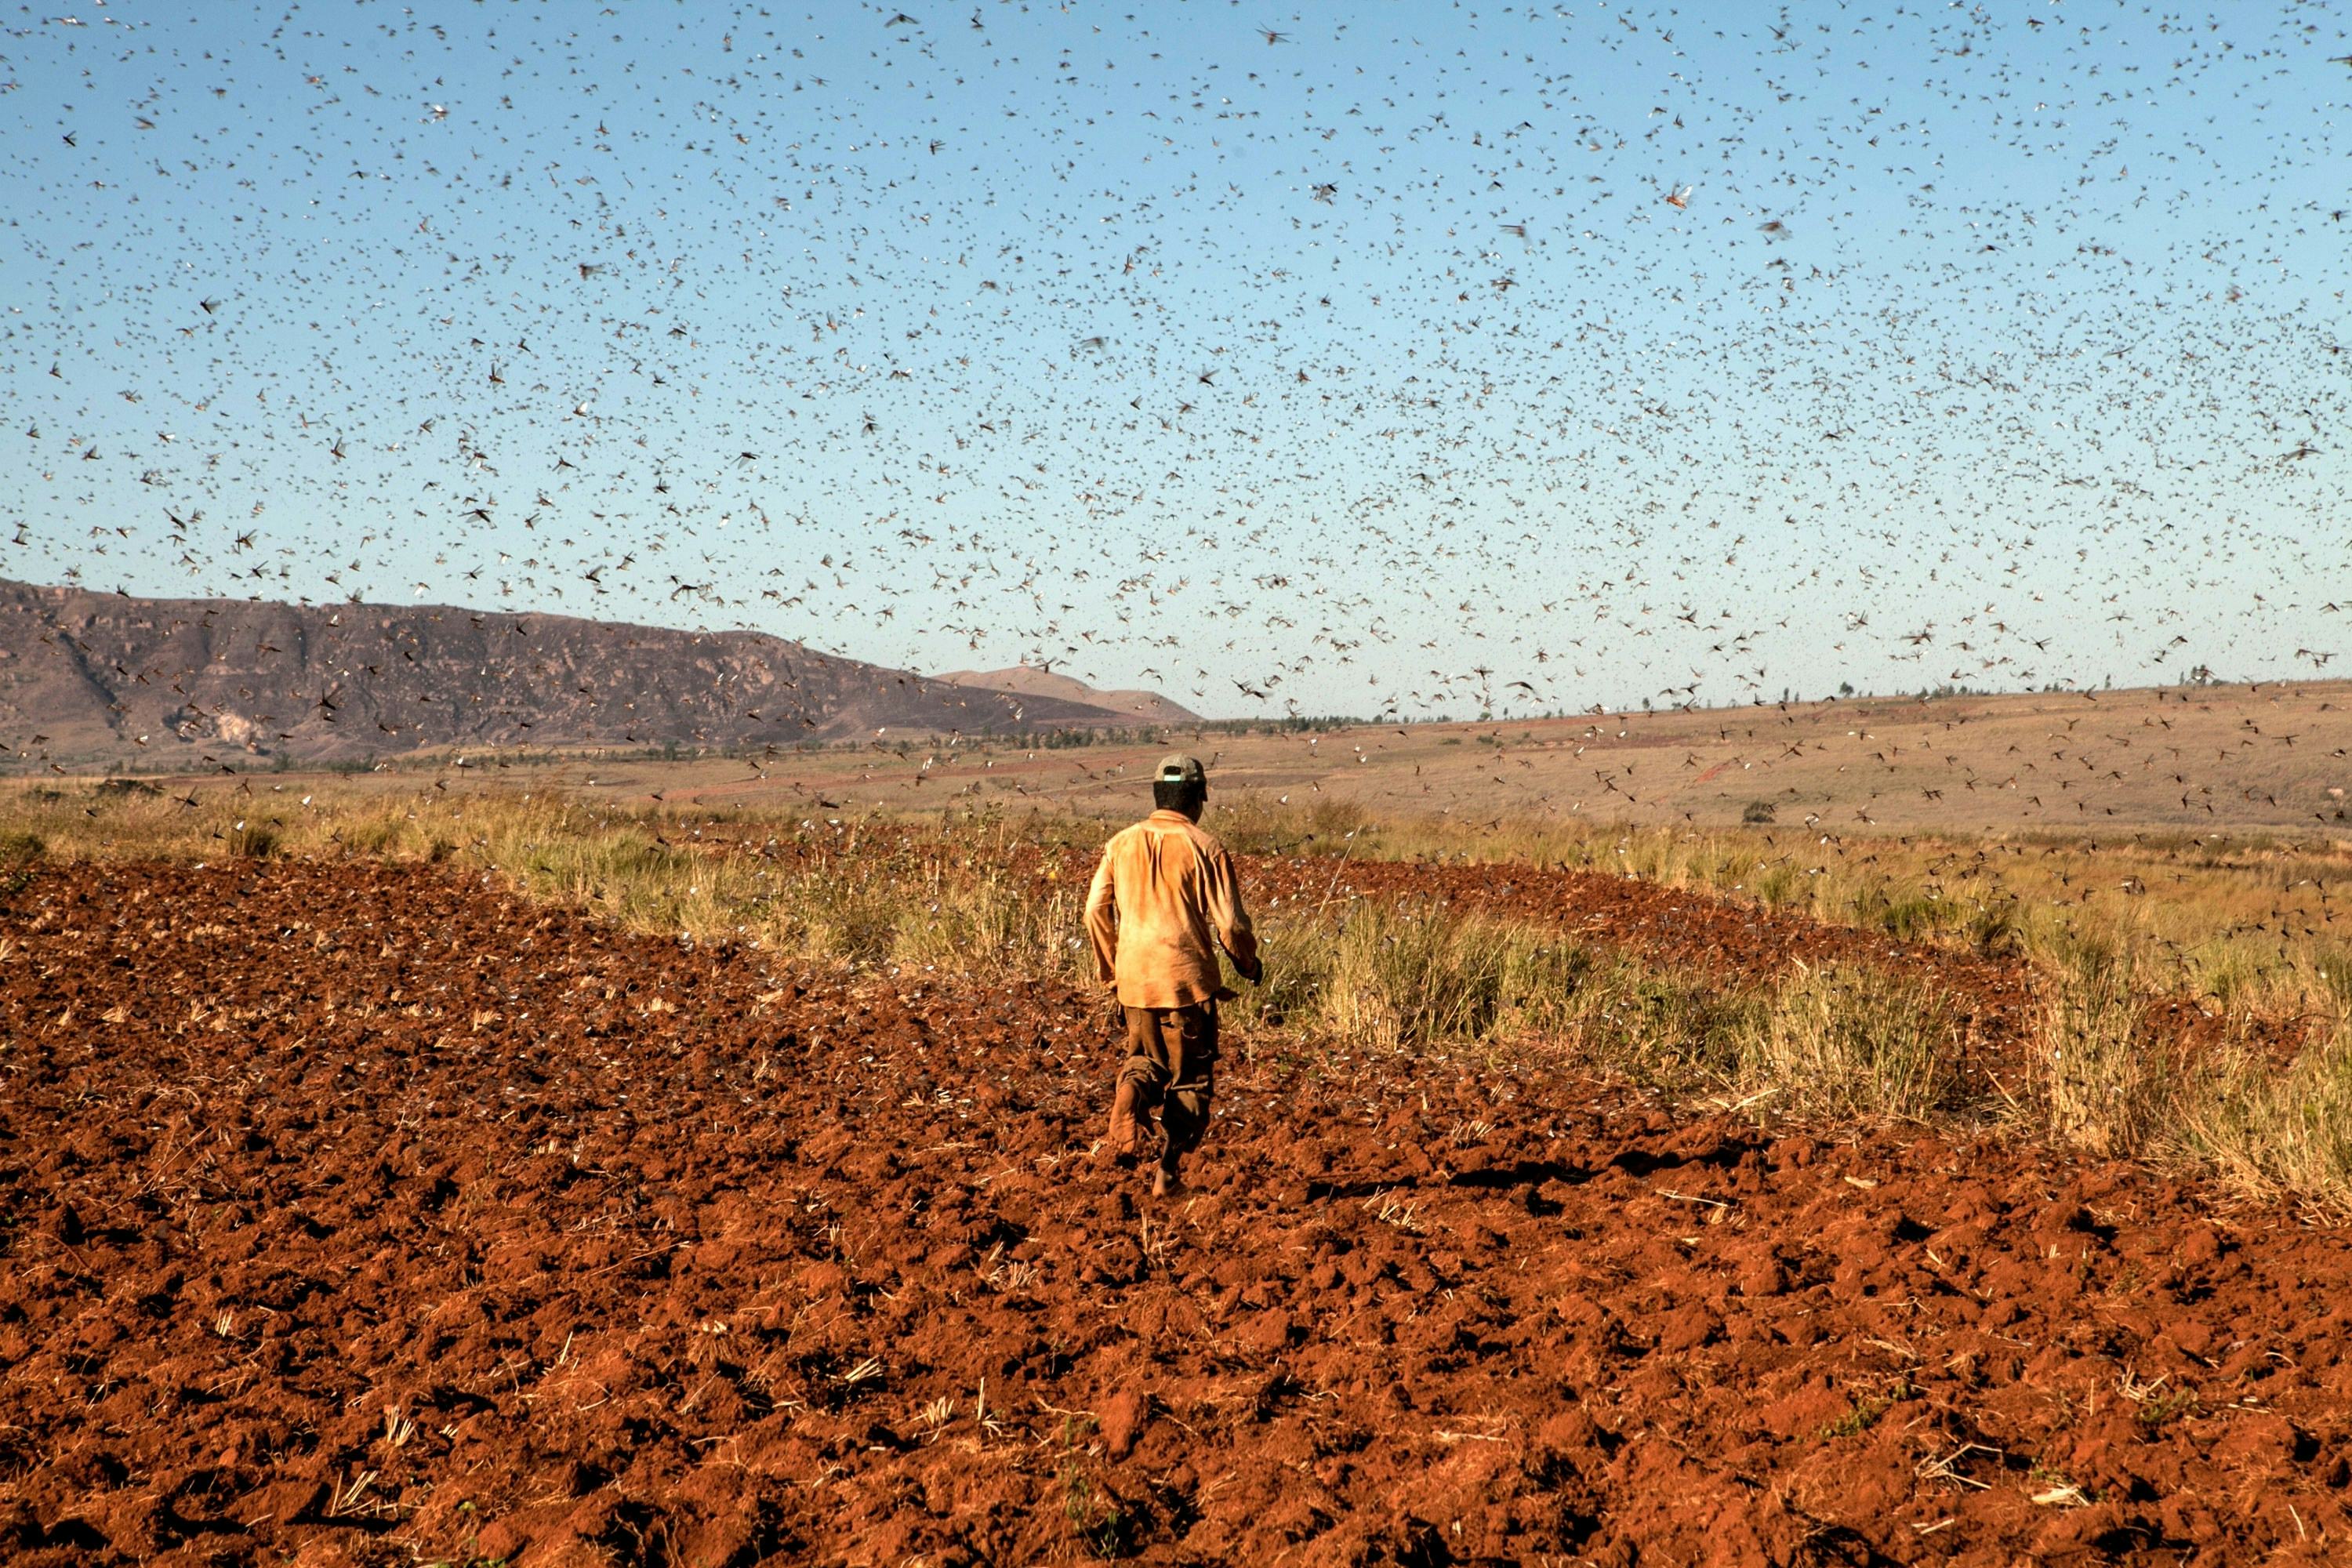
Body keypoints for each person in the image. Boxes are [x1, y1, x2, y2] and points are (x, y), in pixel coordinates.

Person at [1083, 753, 1261, 1196]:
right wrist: (1247, 964)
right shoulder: (1205, 847)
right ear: (1200, 797)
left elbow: (1093, 912)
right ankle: (1168, 1175)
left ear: (1157, 795)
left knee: (1146, 1060)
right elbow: (1233, 925)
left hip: (1135, 982)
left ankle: (1133, 1095)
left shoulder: (1120, 843)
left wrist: (1112, 971)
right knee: (1191, 1081)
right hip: (1186, 983)